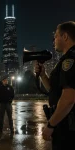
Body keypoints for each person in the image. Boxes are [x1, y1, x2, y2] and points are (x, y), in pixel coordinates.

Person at [34, 21, 75, 150]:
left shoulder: (70, 60)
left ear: (65, 36)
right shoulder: (64, 60)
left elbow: (69, 99)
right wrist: (43, 75)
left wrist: (51, 125)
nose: (54, 39)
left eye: (56, 35)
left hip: (68, 129)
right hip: (65, 125)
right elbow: (54, 90)